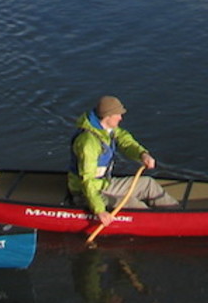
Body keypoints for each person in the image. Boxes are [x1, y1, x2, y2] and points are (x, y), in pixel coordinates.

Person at [68, 95, 179, 226]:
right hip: (86, 193)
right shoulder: (88, 143)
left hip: (104, 184)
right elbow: (87, 181)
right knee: (132, 204)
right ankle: (157, 224)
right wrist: (99, 211)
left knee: (148, 184)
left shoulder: (107, 129)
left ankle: (178, 215)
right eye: (118, 115)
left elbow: (125, 141)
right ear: (107, 116)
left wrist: (142, 154)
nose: (121, 118)